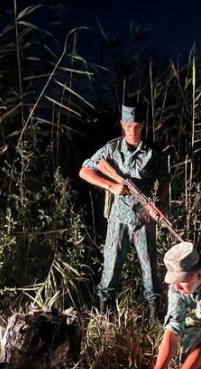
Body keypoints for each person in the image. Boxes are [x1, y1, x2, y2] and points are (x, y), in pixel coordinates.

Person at [79, 102, 170, 321]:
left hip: (144, 217)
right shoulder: (111, 149)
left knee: (149, 268)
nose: (131, 129)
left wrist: (158, 202)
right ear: (122, 124)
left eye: (136, 125)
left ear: (143, 125)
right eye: (128, 125)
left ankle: (154, 317)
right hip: (118, 217)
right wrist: (112, 186)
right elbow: (85, 171)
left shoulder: (153, 152)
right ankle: (105, 316)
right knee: (111, 266)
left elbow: (165, 181)